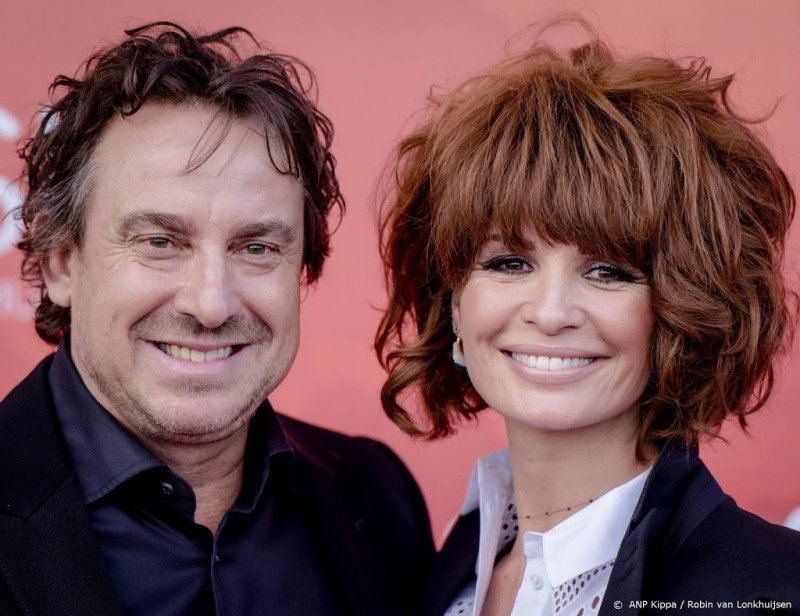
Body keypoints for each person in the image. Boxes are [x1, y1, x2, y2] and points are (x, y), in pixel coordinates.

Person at [0, 22, 433, 616]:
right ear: (60, 264)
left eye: (256, 247)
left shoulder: (375, 497)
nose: (211, 304)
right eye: (160, 242)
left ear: (302, 269)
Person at [376, 28, 800, 616]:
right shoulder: (440, 570)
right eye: (509, 263)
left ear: (684, 306)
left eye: (607, 271)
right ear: (452, 302)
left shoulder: (773, 590)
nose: (550, 313)